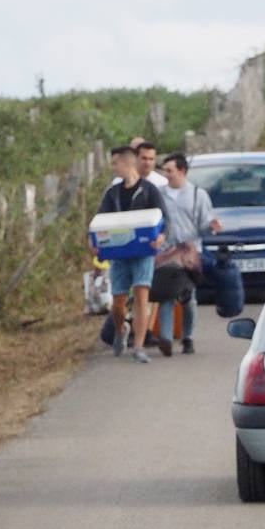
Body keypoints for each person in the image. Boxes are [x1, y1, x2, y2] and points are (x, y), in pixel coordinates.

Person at [92, 145, 170, 364]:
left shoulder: (149, 190)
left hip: (143, 253)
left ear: (126, 163)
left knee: (142, 299)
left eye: (116, 162)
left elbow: (164, 219)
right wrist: (95, 244)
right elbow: (99, 221)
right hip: (119, 254)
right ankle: (120, 329)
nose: (114, 167)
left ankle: (138, 348)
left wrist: (162, 237)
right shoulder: (112, 193)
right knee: (118, 303)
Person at [157, 153, 222, 355]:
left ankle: (188, 336)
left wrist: (212, 227)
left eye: (170, 171)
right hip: (166, 253)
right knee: (166, 294)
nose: (166, 175)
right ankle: (166, 338)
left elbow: (204, 223)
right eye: (165, 171)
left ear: (182, 171)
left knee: (188, 297)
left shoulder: (198, 195)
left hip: (190, 253)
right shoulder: (158, 194)